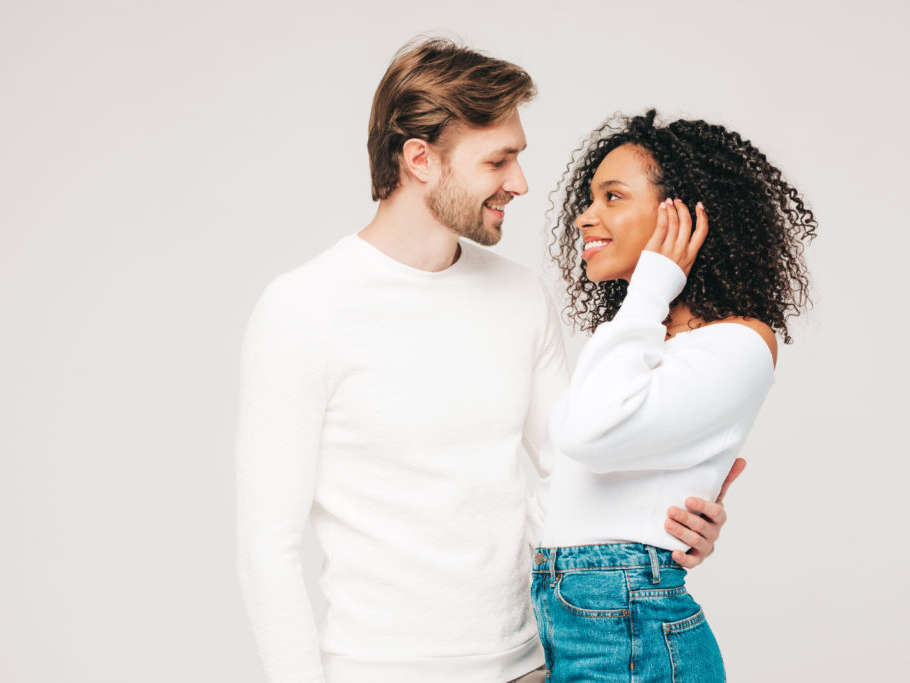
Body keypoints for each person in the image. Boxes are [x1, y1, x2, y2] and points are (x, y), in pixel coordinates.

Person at [235, 41, 733, 683]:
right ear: (420, 159)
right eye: (498, 160)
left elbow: (579, 471)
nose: (520, 182)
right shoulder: (304, 309)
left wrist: (669, 519)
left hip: (531, 666)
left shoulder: (519, 295)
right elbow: (265, 549)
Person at [532, 110, 816, 682]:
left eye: (613, 196)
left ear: (683, 214)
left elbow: (587, 436)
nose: (586, 216)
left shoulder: (739, 342)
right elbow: (559, 477)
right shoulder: (636, 340)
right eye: (589, 198)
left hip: (625, 618)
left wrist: (652, 286)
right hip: (580, 612)